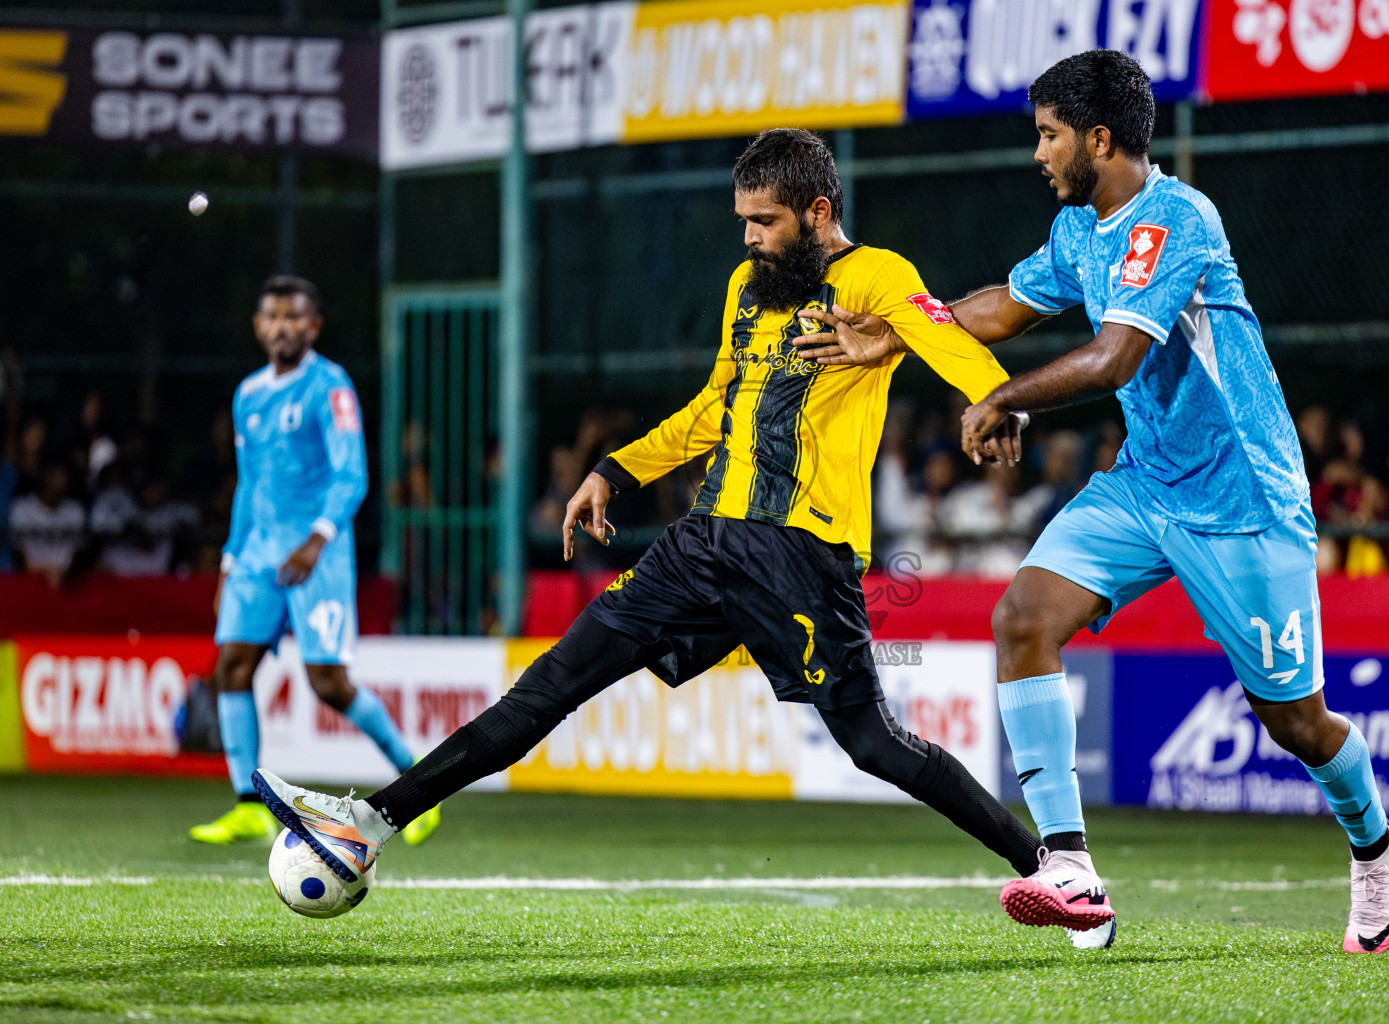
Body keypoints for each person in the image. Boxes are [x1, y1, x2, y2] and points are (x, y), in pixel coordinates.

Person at [253, 129, 1058, 920]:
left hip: (799, 553)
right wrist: (615, 470)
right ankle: (371, 821)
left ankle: (1048, 867)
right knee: (550, 684)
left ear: (818, 212)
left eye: (765, 221)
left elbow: (945, 340)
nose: (749, 238)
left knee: (874, 745)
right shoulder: (747, 286)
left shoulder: (878, 275)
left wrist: (999, 400)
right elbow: (715, 406)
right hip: (702, 544)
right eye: (743, 221)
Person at [794, 50, 1389, 955]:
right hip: (1146, 483)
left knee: (1295, 723)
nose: (1038, 154)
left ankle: (1376, 845)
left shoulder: (1178, 218)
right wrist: (893, 333)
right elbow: (1005, 306)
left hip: (1244, 500)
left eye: (1049, 136)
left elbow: (1114, 358)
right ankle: (1072, 870)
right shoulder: (1079, 228)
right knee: (1022, 619)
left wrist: (1004, 399)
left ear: (1099, 137)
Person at [190, 276, 439, 847]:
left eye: (295, 317)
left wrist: (317, 539)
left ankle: (419, 782)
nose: (284, 326)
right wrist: (229, 561)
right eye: (273, 317)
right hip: (257, 554)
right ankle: (248, 805)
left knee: (328, 683)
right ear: (258, 326)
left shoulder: (331, 387)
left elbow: (352, 475)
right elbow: (249, 485)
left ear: (314, 326)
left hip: (317, 555)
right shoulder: (248, 394)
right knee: (231, 668)